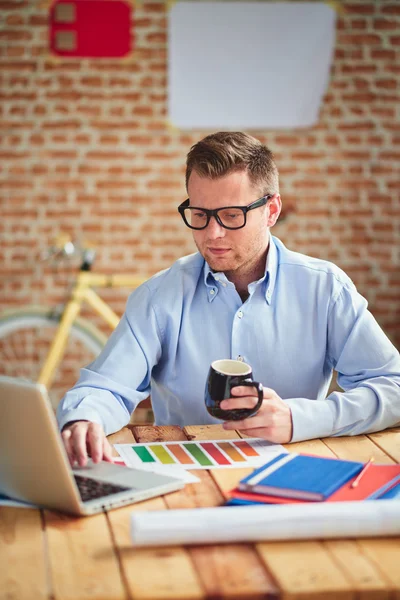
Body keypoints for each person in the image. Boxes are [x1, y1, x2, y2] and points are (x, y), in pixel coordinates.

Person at [58, 131, 400, 467]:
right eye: (199, 214)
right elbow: (106, 387)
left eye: (232, 215)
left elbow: (394, 388)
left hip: (296, 472)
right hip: (185, 479)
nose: (212, 233)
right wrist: (84, 419)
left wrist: (298, 418)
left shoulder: (325, 289)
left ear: (271, 210)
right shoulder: (158, 297)